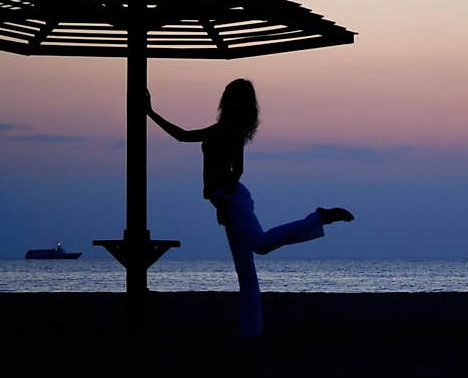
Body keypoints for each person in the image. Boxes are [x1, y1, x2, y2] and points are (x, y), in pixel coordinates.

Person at [146, 78, 354, 336]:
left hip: (231, 198)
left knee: (261, 245)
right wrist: (151, 112)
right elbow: (182, 136)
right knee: (245, 268)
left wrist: (223, 202)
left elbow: (237, 170)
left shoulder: (232, 131)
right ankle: (250, 330)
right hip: (225, 198)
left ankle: (319, 218)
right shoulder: (221, 128)